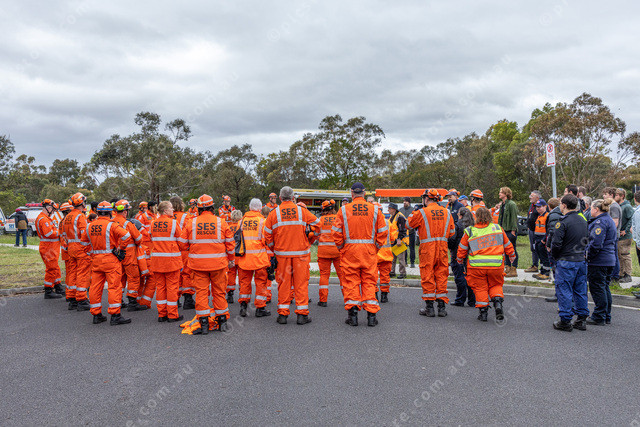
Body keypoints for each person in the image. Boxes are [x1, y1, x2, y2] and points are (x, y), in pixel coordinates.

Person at [332, 182, 387, 327]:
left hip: (350, 252)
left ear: (352, 193)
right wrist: (376, 247)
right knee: (369, 282)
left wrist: (341, 248)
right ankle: (371, 317)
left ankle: (353, 316)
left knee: (351, 282)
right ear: (364, 193)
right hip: (369, 252)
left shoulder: (344, 210)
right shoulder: (375, 210)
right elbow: (383, 232)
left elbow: (336, 232)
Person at [178, 194, 234, 333]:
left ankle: (203, 324)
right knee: (219, 293)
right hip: (218, 265)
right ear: (212, 207)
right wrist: (231, 260)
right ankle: (222, 322)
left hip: (198, 266)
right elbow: (230, 244)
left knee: (201, 294)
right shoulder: (221, 222)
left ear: (198, 209)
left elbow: (182, 244)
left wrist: (193, 247)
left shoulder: (191, 223)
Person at [264, 186, 320, 325]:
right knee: (301, 284)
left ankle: (283, 315)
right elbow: (319, 225)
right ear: (293, 197)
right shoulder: (302, 211)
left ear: (280, 198)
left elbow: (267, 234)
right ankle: (302, 315)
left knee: (284, 284)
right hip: (301, 255)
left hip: (282, 255)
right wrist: (310, 240)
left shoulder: (274, 213)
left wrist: (274, 247)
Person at [456, 207, 515, 322]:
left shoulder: (470, 231)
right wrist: (512, 255)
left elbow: (462, 248)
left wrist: (459, 259)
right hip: (496, 265)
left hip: (476, 267)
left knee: (480, 288)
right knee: (496, 285)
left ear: (476, 217)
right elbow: (507, 244)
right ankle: (497, 303)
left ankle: (483, 313)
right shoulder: (497, 228)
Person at [407, 188, 455, 318]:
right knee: (441, 276)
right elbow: (452, 232)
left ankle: (429, 308)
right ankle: (441, 308)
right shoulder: (447, 212)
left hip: (427, 250)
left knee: (427, 275)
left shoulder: (422, 212)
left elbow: (408, 225)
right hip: (442, 249)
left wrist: (414, 211)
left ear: (426, 199)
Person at [86, 201, 132, 326]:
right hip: (111, 260)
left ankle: (96, 315)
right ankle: (115, 315)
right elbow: (127, 236)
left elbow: (84, 243)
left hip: (96, 260)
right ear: (110, 213)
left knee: (95, 287)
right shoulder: (112, 225)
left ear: (97, 212)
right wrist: (121, 249)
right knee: (114, 287)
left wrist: (92, 253)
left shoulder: (89, 226)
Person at [550, 194, 589, 332]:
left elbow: (556, 243)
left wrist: (555, 257)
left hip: (566, 261)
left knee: (564, 289)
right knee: (580, 289)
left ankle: (565, 320)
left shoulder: (562, 222)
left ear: (564, 205)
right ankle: (581, 319)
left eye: (561, 203)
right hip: (580, 260)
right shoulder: (583, 220)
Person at [236, 199, 271, 318]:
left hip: (244, 259)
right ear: (260, 209)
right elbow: (266, 240)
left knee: (244, 283)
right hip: (259, 259)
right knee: (261, 283)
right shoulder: (263, 221)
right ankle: (260, 308)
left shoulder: (241, 221)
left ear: (250, 208)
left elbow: (237, 240)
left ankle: (243, 306)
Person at [150, 201, 184, 323]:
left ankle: (162, 314)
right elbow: (181, 242)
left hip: (157, 261)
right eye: (171, 208)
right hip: (171, 262)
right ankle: (172, 314)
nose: (173, 209)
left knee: (160, 288)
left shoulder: (153, 223)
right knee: (172, 288)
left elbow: (150, 239)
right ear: (165, 210)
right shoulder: (173, 223)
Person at [585, 199, 617, 326]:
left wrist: (588, 255)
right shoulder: (608, 220)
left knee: (598, 288)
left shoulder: (600, 222)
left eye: (591, 208)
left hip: (599, 261)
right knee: (604, 287)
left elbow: (596, 243)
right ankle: (606, 315)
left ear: (596, 209)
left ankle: (599, 316)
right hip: (608, 260)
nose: (590, 211)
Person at [112, 199, 148, 311]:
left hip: (116, 255)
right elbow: (139, 238)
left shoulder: (111, 222)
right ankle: (132, 302)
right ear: (125, 212)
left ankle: (118, 300)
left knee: (120, 278)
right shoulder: (127, 224)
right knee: (133, 277)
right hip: (129, 255)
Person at [62, 192, 92, 311]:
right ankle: (82, 299)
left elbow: (64, 234)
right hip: (80, 248)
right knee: (82, 273)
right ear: (81, 203)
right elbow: (85, 234)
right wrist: (88, 248)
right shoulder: (80, 216)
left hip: (71, 248)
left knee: (72, 272)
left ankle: (72, 298)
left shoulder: (67, 217)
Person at [317, 200, 343, 307]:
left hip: (323, 251)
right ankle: (348, 299)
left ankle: (323, 300)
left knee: (324, 275)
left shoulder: (320, 220)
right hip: (337, 251)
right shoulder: (338, 218)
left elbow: (316, 234)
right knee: (342, 275)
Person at [170, 196, 194, 309]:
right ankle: (188, 299)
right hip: (184, 249)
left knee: (175, 275)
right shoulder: (186, 216)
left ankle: (175, 299)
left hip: (171, 250)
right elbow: (190, 232)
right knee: (186, 273)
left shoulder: (166, 217)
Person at [35, 199, 63, 299]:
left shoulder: (44, 218)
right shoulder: (44, 219)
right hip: (48, 248)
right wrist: (60, 232)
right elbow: (49, 233)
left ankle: (58, 286)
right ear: (49, 208)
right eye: (53, 210)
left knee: (55, 267)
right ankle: (48, 290)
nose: (54, 212)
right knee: (52, 268)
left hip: (50, 247)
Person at [449, 207, 475, 307]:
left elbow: (452, 239)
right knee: (471, 277)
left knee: (459, 277)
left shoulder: (457, 225)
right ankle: (472, 300)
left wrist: (450, 247)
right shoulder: (474, 226)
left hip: (458, 252)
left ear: (460, 215)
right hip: (472, 254)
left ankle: (460, 299)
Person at [376, 209, 398, 303]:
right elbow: (393, 238)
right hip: (386, 254)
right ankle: (384, 296)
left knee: (372, 276)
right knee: (385, 276)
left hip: (374, 254)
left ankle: (374, 295)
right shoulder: (387, 222)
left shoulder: (370, 222)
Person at [544, 197, 562, 302]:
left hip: (553, 247)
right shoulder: (560, 213)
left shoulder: (553, 215)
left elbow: (552, 231)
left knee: (556, 270)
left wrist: (549, 245)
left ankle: (558, 294)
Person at [498, 187, 519, 277]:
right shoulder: (503, 204)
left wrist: (513, 230)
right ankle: (508, 267)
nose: (499, 193)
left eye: (501, 192)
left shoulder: (511, 204)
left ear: (506, 193)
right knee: (505, 249)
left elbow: (514, 217)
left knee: (512, 249)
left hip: (510, 230)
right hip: (503, 230)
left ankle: (514, 269)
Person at [602, 187, 621, 283]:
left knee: (614, 255)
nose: (603, 196)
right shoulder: (613, 206)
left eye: (606, 194)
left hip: (613, 235)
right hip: (613, 235)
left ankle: (615, 276)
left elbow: (615, 223)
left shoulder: (614, 207)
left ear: (611, 195)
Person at [616, 188, 634, 283]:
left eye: (617, 195)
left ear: (622, 196)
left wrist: (626, 230)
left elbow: (632, 218)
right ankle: (621, 274)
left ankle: (628, 274)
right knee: (620, 255)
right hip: (620, 236)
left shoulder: (627, 206)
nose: (615, 197)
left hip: (625, 236)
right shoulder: (619, 206)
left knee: (625, 255)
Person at [531, 199, 552, 281]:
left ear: (545, 206)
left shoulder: (547, 216)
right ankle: (542, 271)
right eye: (537, 207)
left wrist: (544, 240)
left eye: (539, 207)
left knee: (544, 257)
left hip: (543, 239)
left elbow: (548, 229)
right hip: (537, 238)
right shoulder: (539, 216)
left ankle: (546, 273)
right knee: (541, 257)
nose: (538, 208)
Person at [225, 209, 242, 303]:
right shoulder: (242, 227)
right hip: (240, 255)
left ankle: (230, 294)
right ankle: (243, 295)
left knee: (231, 274)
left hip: (231, 255)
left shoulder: (228, 227)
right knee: (242, 276)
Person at [58, 202, 73, 300]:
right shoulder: (67, 222)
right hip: (69, 250)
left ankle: (69, 292)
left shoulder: (62, 221)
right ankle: (70, 294)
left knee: (69, 273)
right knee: (71, 273)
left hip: (65, 250)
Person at [388, 202, 408, 279]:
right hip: (394, 241)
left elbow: (402, 229)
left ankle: (403, 273)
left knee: (401, 258)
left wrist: (399, 239)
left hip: (400, 241)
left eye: (389, 208)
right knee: (392, 258)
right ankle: (392, 272)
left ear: (393, 209)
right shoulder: (392, 217)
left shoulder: (399, 217)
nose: (388, 210)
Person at [525, 191, 542, 273]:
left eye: (532, 196)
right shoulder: (531, 205)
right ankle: (534, 265)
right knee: (533, 248)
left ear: (537, 198)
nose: (530, 197)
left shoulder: (540, 206)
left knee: (538, 248)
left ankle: (542, 266)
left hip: (538, 231)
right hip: (531, 230)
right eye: (530, 195)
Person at [399, 197, 417, 268]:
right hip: (403, 233)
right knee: (404, 248)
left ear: (409, 202)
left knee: (412, 248)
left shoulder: (413, 210)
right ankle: (405, 262)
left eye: (406, 201)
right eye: (403, 201)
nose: (404, 202)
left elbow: (415, 220)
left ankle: (412, 263)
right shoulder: (401, 210)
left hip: (411, 232)